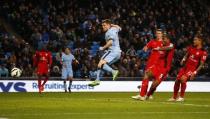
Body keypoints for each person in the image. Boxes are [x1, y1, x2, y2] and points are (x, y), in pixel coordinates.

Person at [132, 29, 173, 100]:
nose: (158, 35)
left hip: (163, 68)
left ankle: (149, 95)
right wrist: (145, 48)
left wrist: (159, 48)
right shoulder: (153, 41)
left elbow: (171, 47)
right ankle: (142, 95)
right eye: (157, 33)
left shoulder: (168, 44)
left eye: (160, 33)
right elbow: (146, 47)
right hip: (153, 64)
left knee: (154, 84)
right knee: (146, 75)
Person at [168, 34, 207, 102]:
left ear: (200, 41)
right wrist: (183, 59)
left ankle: (181, 97)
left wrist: (194, 73)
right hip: (185, 67)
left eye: (195, 40)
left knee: (183, 79)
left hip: (192, 69)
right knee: (177, 80)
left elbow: (201, 64)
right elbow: (187, 54)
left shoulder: (203, 52)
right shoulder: (191, 48)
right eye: (194, 39)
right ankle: (174, 97)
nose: (193, 41)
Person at [88, 19, 121, 87]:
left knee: (101, 63)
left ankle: (114, 71)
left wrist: (103, 48)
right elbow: (119, 28)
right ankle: (97, 80)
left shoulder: (109, 32)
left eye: (104, 25)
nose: (103, 27)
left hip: (112, 51)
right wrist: (113, 25)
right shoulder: (114, 29)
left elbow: (110, 42)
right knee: (100, 64)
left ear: (108, 25)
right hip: (118, 53)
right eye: (102, 25)